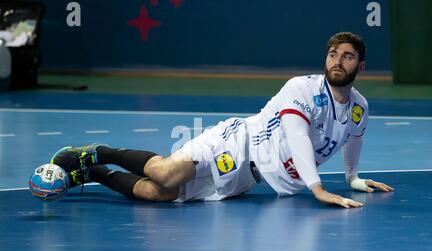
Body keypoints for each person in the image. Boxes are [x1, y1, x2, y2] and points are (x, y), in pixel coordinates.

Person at [51, 32, 393, 208]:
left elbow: (355, 136)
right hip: (236, 142)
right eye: (333, 54)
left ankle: (93, 173)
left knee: (159, 195)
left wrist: (352, 178)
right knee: (166, 172)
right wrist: (317, 189)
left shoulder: (358, 107)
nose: (337, 61)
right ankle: (100, 152)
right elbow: (298, 136)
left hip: (248, 179)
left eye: (347, 57)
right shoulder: (301, 89)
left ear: (359, 67)